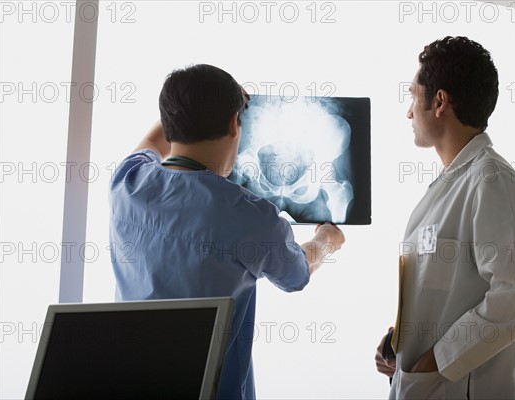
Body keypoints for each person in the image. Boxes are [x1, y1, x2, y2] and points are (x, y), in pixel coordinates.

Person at [109, 64, 345, 399]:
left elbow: (152, 140)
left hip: (134, 384)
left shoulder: (127, 182)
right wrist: (327, 241)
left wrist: (195, 105)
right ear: (236, 124)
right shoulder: (253, 217)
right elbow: (296, 274)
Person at [375, 37, 515, 399]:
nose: (409, 112)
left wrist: (436, 361)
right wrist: (401, 339)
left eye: (412, 96)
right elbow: (450, 292)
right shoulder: (453, 184)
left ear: (439, 102)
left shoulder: (492, 181)